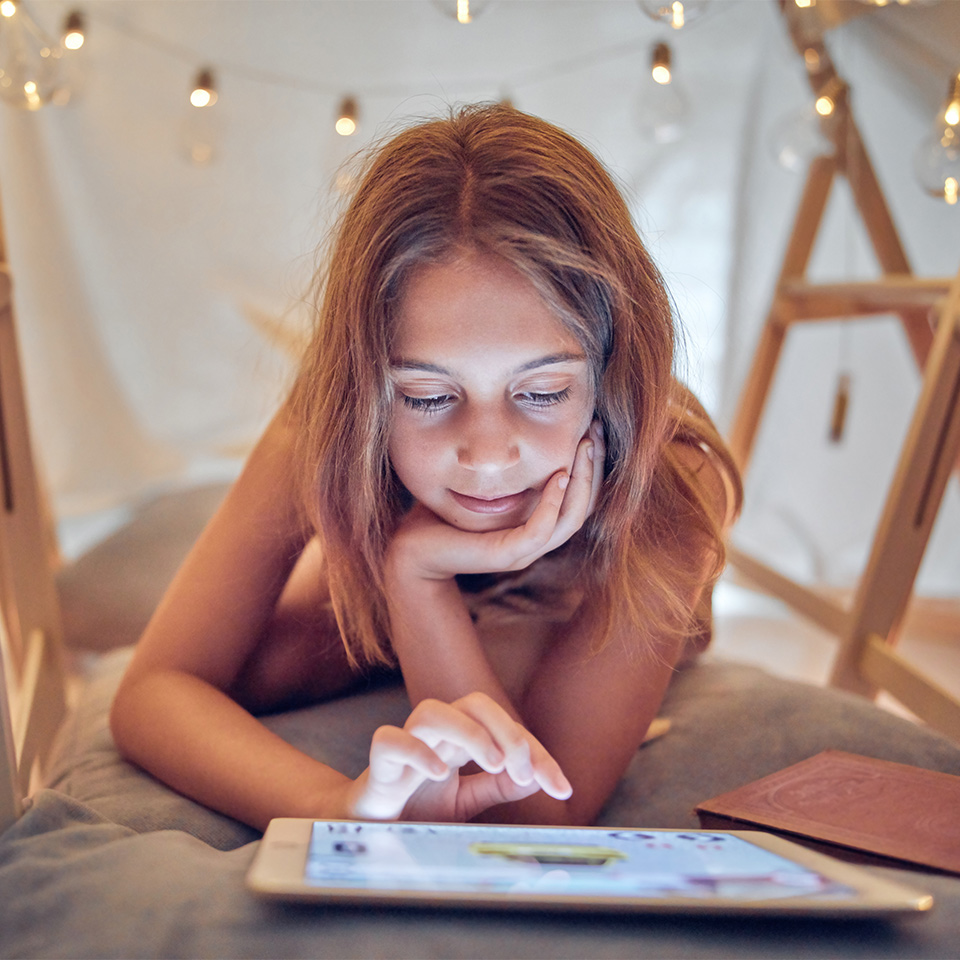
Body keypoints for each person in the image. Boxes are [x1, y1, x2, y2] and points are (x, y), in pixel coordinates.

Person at [110, 102, 741, 832]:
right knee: (264, 670)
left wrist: (419, 573)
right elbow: (158, 688)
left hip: (574, 587)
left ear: (608, 374)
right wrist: (330, 805)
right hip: (388, 551)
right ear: (367, 382)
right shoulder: (331, 423)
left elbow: (532, 816)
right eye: (429, 395)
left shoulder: (677, 479)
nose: (487, 452)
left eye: (540, 392)